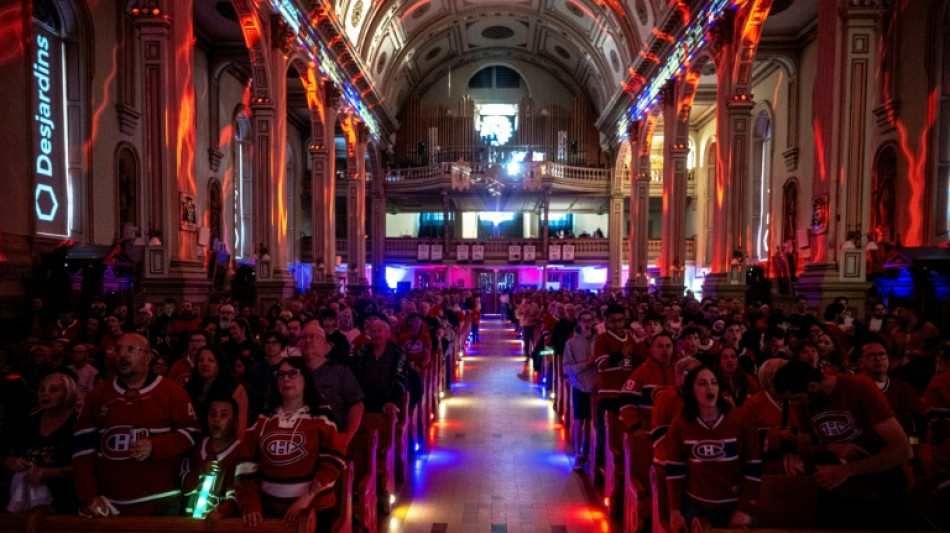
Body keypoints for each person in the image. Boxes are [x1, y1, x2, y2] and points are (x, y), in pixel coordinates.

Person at [773, 360, 913, 529]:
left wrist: (847, 470)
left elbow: (902, 449)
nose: (794, 404)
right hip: (838, 488)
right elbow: (803, 449)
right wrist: (831, 447)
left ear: (812, 386)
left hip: (882, 485)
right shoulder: (804, 404)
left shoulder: (858, 388)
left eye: (795, 398)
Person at [73, 333, 201, 516]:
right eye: (118, 350)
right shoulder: (97, 395)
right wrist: (88, 495)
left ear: (147, 358)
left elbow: (192, 433)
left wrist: (155, 446)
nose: (123, 355)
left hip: (162, 502)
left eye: (131, 350)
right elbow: (82, 452)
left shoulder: (173, 392)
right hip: (109, 503)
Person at [233, 357, 347, 530]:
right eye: (281, 375)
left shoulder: (322, 416)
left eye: (293, 373)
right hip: (270, 512)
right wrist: (251, 505)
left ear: (306, 379)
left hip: (315, 509)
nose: (286, 379)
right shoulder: (264, 418)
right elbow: (246, 467)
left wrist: (305, 500)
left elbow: (333, 461)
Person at [665, 366, 761, 531]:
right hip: (697, 505)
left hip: (735, 504)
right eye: (702, 383)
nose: (709, 387)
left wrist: (745, 509)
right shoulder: (680, 424)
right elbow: (675, 471)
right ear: (691, 390)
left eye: (713, 382)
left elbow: (753, 465)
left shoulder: (741, 418)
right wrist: (675, 511)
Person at [3, 372, 78, 513]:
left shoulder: (79, 422)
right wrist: (11, 461)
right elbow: (8, 455)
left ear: (67, 393)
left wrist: (53, 473)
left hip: (64, 499)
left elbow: (87, 465)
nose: (45, 394)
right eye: (41, 389)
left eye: (53, 390)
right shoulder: (27, 422)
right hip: (23, 495)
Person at [299, 320, 365, 443]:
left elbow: (357, 406)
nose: (307, 340)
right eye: (304, 337)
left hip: (328, 438)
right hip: (298, 436)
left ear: (324, 344)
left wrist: (344, 439)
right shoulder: (293, 372)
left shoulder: (340, 372)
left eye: (312, 337)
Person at [182, 397, 242, 518]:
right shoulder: (196, 447)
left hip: (219, 524)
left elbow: (237, 494)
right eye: (212, 414)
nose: (216, 419)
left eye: (223, 415)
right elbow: (183, 486)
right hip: (189, 522)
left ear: (235, 421)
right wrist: (200, 472)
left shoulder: (240, 452)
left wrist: (222, 511)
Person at [742, 358, 799, 475]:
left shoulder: (797, 401)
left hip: (797, 468)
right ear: (769, 377)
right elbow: (745, 437)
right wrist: (779, 436)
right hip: (766, 470)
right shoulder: (754, 403)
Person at [184, 345, 249, 440]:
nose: (204, 364)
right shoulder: (190, 386)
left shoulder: (235, 389)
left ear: (219, 364)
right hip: (192, 442)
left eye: (210, 360)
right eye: (201, 360)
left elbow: (240, 426)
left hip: (222, 444)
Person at [618, 331, 676, 434]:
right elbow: (626, 403)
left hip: (675, 434)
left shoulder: (680, 372)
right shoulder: (640, 372)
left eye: (668, 346)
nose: (664, 350)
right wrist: (637, 427)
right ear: (651, 350)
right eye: (660, 346)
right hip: (648, 434)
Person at [562, 309, 598, 471]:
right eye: (584, 320)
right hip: (580, 386)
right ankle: (578, 453)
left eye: (590, 320)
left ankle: (591, 453)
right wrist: (586, 365)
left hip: (597, 388)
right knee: (579, 422)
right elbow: (567, 368)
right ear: (579, 322)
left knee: (593, 423)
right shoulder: (571, 344)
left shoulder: (600, 341)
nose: (587, 323)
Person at [353, 319, 408, 415]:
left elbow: (401, 379)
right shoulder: (363, 351)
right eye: (373, 332)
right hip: (364, 399)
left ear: (387, 333)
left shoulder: (400, 355)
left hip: (387, 401)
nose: (376, 334)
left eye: (379, 331)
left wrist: (392, 400)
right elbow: (354, 371)